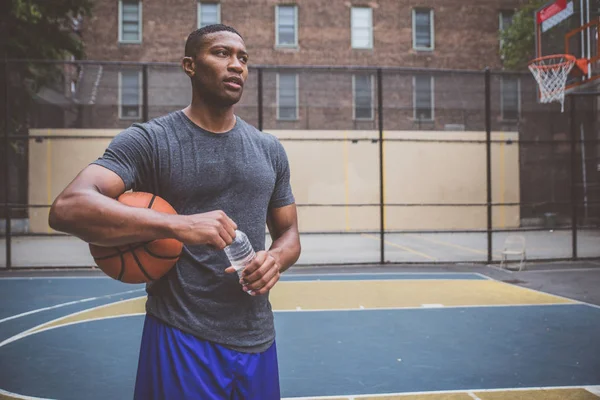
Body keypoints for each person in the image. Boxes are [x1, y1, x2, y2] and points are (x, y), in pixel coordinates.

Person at [48, 24, 301, 400]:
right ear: (189, 65)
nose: (237, 66)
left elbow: (290, 233)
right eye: (222, 53)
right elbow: (67, 208)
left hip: (258, 338)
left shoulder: (269, 149)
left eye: (243, 58)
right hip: (183, 335)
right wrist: (178, 225)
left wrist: (275, 260)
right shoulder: (151, 140)